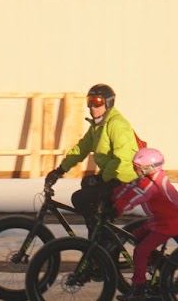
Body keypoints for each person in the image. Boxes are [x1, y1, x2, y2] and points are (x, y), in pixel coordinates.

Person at [43, 83, 140, 231]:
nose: (92, 107)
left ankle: (102, 239)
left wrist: (105, 179)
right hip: (111, 178)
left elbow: (124, 158)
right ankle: (98, 237)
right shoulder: (97, 126)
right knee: (87, 185)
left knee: (81, 198)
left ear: (108, 103)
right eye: (89, 102)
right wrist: (60, 170)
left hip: (123, 180)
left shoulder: (117, 124)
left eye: (97, 102)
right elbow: (81, 149)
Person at [110, 147, 178, 301]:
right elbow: (130, 188)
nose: (135, 170)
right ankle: (155, 262)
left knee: (140, 251)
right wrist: (110, 196)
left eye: (137, 167)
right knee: (136, 237)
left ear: (148, 168)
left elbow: (137, 196)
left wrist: (116, 210)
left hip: (169, 223)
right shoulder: (148, 178)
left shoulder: (152, 183)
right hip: (160, 219)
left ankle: (139, 288)